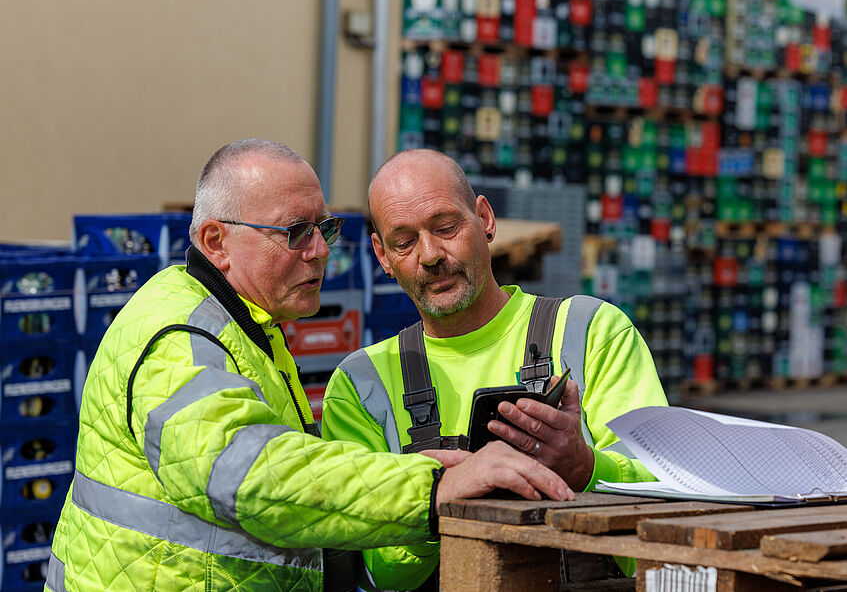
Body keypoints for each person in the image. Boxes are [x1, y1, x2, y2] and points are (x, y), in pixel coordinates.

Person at [46, 139, 572, 592]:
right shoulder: (178, 337)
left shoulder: (245, 325)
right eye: (296, 233)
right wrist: (432, 487)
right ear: (215, 242)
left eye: (324, 228)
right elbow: (250, 475)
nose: (320, 251)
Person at [321, 148, 669, 590]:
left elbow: (663, 501)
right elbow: (379, 573)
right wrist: (431, 497)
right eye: (404, 242)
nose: (429, 255)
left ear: (485, 219)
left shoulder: (591, 331)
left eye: (446, 227)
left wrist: (585, 470)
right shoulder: (360, 386)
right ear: (383, 256)